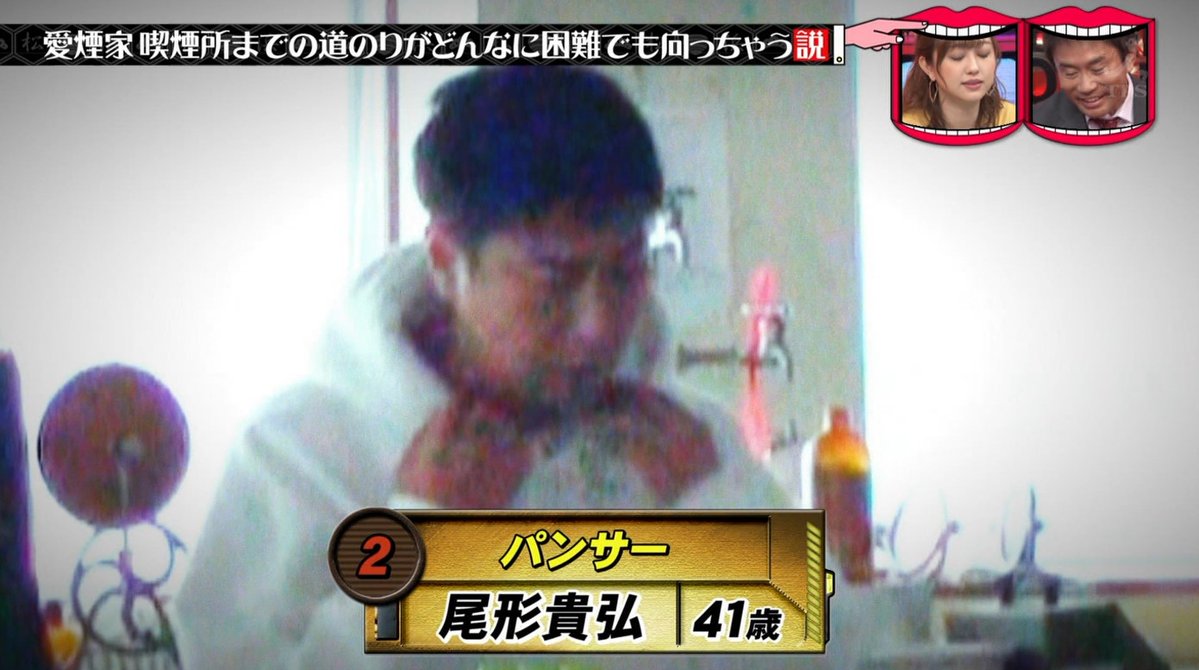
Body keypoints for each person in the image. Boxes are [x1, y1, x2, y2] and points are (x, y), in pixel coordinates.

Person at [172, 67, 885, 669]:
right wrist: (423, 546)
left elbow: (849, 656)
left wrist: (718, 511)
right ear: (448, 260)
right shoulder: (302, 453)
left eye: (624, 272)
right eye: (554, 280)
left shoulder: (686, 450)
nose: (598, 325)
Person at [1032, 33, 1146, 130]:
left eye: (1098, 69)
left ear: (1129, 60)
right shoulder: (1037, 121)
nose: (1086, 87)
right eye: (1070, 73)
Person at [901, 34, 1017, 129]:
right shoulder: (907, 128)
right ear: (928, 67)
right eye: (957, 56)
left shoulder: (1013, 118)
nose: (973, 68)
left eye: (983, 54)